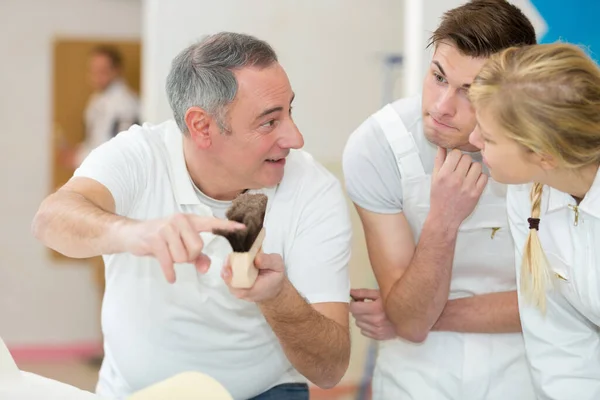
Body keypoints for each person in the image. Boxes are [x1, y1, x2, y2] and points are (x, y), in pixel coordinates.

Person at [33, 32, 352, 400]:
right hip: (133, 392)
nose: (295, 138)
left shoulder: (314, 190)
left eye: (289, 112)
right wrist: (134, 233)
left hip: (264, 391)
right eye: (269, 122)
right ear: (202, 127)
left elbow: (330, 369)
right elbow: (50, 219)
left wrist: (278, 297)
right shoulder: (139, 155)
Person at [342, 1, 537, 398]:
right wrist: (443, 221)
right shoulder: (378, 146)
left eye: (471, 91)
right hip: (417, 371)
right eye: (438, 76)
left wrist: (405, 313)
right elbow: (412, 323)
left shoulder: (551, 149)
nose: (441, 107)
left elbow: (567, 302)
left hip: (532, 366)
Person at [469, 42, 600, 400]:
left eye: (489, 137)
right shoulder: (526, 195)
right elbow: (560, 340)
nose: (472, 140)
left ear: (545, 154)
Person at [61, 45, 140, 169]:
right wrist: (77, 153)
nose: (96, 76)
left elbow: (121, 148)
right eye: (93, 71)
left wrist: (79, 158)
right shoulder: (96, 99)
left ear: (116, 70)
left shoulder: (126, 104)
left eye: (102, 71)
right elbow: (94, 139)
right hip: (93, 168)